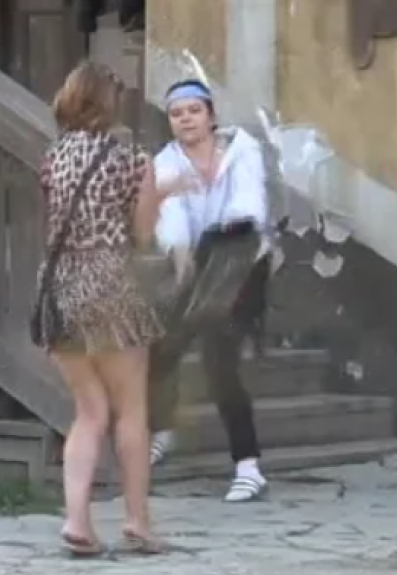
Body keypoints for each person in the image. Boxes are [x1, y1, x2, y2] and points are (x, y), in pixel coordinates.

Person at [38, 61, 175, 555]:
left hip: (59, 287)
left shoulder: (53, 157)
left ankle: (77, 521)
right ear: (109, 100)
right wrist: (159, 195)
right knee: (131, 412)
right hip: (112, 284)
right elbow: (143, 234)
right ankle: (137, 522)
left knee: (89, 411)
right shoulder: (134, 159)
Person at [147, 79, 272, 503]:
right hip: (199, 259)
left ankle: (248, 465)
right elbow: (173, 219)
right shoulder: (166, 162)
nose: (186, 119)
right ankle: (162, 429)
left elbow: (248, 207)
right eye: (176, 114)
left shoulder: (243, 150)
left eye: (194, 111)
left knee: (220, 356)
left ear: (211, 115)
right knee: (161, 343)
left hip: (244, 259)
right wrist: (181, 259)